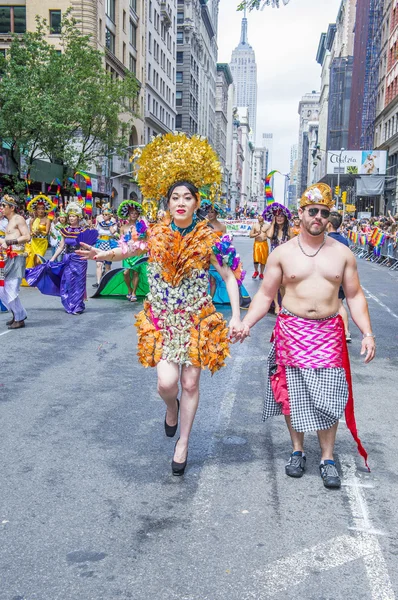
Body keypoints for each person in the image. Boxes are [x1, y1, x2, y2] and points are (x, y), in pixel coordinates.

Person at [77, 133, 243, 476]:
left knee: (191, 383)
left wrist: (237, 318)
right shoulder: (154, 232)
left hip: (198, 319)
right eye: (174, 197)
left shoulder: (210, 238)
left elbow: (228, 278)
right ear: (167, 203)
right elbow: (130, 249)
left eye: (187, 197)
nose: (180, 202)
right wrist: (102, 254)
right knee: (167, 385)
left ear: (197, 202)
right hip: (164, 321)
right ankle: (171, 409)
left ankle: (183, 442)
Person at [238, 183, 375, 489]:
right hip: (291, 331)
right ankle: (297, 450)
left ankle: (327, 457)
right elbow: (264, 295)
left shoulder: (342, 254)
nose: (318, 217)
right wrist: (247, 323)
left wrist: (367, 333)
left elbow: (353, 296)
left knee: (330, 397)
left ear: (329, 218)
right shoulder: (283, 254)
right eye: (312, 211)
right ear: (300, 213)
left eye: (324, 213)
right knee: (292, 396)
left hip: (328, 333)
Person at [26, 202, 96, 315]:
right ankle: (70, 303)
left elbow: (87, 247)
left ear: (78, 217)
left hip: (80, 259)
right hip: (67, 258)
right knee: (67, 281)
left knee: (79, 282)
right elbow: (61, 246)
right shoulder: (65, 230)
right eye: (70, 216)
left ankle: (77, 306)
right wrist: (53, 259)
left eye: (74, 216)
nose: (71, 218)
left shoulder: (83, 230)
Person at [91, 200, 150, 300]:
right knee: (126, 272)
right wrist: (116, 235)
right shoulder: (123, 227)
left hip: (137, 252)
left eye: (136, 213)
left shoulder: (141, 226)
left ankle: (134, 293)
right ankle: (129, 289)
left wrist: (140, 239)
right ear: (128, 214)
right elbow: (121, 240)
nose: (134, 215)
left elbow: (146, 239)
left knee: (136, 272)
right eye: (132, 213)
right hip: (126, 252)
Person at [202, 199, 251, 309]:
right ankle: (207, 300)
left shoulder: (222, 226)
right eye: (208, 212)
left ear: (216, 214)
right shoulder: (203, 225)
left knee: (217, 277)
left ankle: (212, 301)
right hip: (205, 254)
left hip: (217, 254)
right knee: (208, 278)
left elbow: (225, 241)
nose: (209, 214)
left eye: (212, 212)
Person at [0, 195, 30, 329]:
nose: (1, 208)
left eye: (3, 206)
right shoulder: (7, 221)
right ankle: (16, 314)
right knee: (4, 288)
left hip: (17, 257)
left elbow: (27, 237)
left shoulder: (18, 218)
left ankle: (20, 318)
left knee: (11, 286)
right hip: (8, 257)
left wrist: (9, 242)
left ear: (11, 208)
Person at [264, 203, 293, 314]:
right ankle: (276, 305)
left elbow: (293, 245)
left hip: (286, 259)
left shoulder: (289, 231)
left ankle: (283, 304)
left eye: (281, 216)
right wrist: (273, 223)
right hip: (273, 258)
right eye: (277, 216)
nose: (279, 218)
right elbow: (270, 236)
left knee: (283, 284)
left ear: (285, 218)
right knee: (274, 283)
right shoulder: (273, 229)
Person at [327, 211, 352, 342]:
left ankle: (337, 331)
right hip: (341, 275)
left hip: (329, 277)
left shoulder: (326, 240)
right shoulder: (344, 240)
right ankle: (345, 331)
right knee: (339, 304)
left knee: (332, 304)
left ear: (329, 224)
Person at [92, 205, 118, 288]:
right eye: (103, 214)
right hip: (100, 244)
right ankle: (98, 282)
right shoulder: (99, 223)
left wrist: (109, 224)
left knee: (107, 265)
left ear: (110, 215)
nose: (104, 216)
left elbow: (114, 233)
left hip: (109, 244)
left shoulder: (113, 223)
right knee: (99, 264)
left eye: (106, 215)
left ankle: (107, 282)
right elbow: (95, 232)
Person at [27, 195, 54, 266]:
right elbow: (30, 233)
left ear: (45, 209)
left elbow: (46, 233)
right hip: (34, 242)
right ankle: (35, 275)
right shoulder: (32, 220)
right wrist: (33, 233)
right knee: (33, 260)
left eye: (42, 209)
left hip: (42, 242)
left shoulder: (47, 220)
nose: (41, 211)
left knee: (38, 260)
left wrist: (39, 230)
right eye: (39, 209)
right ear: (36, 210)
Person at [250, 215, 270, 280]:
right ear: (257, 217)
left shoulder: (267, 225)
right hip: (257, 244)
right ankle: (256, 271)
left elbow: (270, 235)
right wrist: (256, 234)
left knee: (263, 260)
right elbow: (250, 235)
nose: (260, 217)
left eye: (262, 216)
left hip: (264, 243)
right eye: (259, 216)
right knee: (256, 259)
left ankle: (261, 273)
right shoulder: (255, 225)